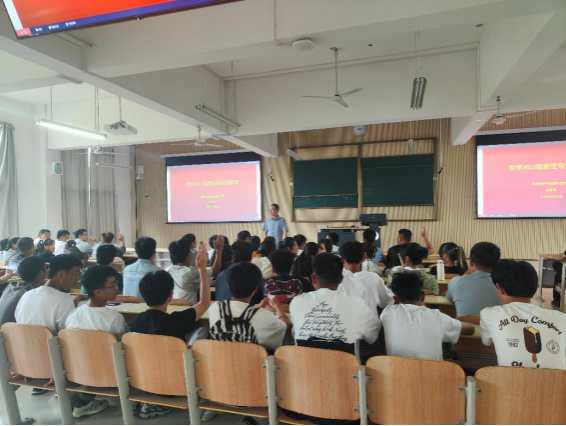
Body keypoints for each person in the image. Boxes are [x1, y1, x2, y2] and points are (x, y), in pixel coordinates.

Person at [131, 244, 213, 420]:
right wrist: (202, 270)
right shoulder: (176, 320)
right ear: (171, 294)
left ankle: (150, 400)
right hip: (175, 384)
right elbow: (205, 303)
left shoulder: (135, 321)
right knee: (203, 332)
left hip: (143, 381)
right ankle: (159, 403)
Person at [65, 265, 129, 419]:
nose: (117, 288)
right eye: (112, 285)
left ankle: (84, 399)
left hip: (79, 370)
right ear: (98, 292)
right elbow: (126, 347)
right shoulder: (114, 318)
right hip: (110, 373)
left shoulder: (73, 314)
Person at [480, 260, 566, 369]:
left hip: (510, 379)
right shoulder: (562, 318)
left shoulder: (489, 314)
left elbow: (486, 342)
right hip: (558, 380)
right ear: (536, 288)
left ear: (500, 289)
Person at [290, 253, 381, 347]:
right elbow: (372, 337)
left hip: (303, 356)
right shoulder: (357, 303)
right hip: (346, 357)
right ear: (341, 279)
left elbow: (295, 333)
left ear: (313, 278)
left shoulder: (297, 302)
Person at [380, 273, 475, 361]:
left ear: (395, 299)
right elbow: (470, 329)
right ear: (423, 296)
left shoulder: (387, 313)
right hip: (431, 373)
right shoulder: (437, 317)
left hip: (396, 372)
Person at [209, 262, 288, 350]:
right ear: (256, 288)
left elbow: (238, 312)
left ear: (228, 285)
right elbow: (283, 327)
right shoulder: (264, 316)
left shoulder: (215, 308)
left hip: (219, 357)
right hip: (251, 358)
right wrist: (278, 307)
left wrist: (258, 308)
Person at [15, 255, 83, 336]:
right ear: (60, 275)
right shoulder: (65, 299)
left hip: (21, 342)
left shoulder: (27, 295)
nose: (78, 278)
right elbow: (67, 334)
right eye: (76, 273)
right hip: (47, 344)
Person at [446, 242, 503, 316]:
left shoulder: (455, 281)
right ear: (497, 263)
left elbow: (450, 299)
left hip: (466, 323)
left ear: (471, 262)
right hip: (497, 323)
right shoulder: (504, 285)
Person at [338, 241, 393, 314]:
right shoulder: (373, 277)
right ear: (363, 259)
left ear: (342, 260)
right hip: (369, 320)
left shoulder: (336, 279)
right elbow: (386, 301)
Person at [166, 236, 223, 304]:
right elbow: (215, 271)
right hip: (191, 308)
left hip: (172, 307)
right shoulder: (191, 273)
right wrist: (219, 250)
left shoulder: (169, 270)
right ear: (189, 255)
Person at [0, 256, 47, 326]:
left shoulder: (11, 285)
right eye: (46, 269)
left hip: (3, 329)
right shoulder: (33, 292)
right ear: (40, 273)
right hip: (11, 331)